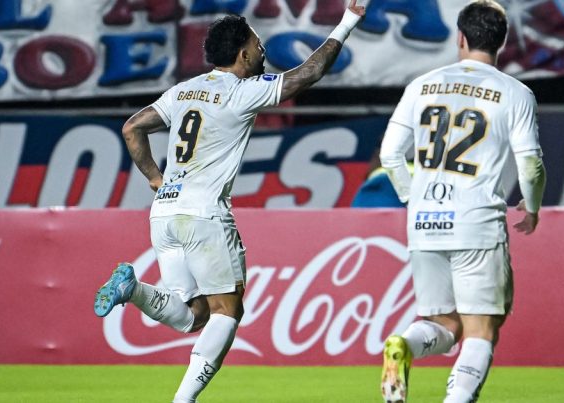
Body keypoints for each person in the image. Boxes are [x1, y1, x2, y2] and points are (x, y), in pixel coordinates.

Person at [93, 2, 366, 402]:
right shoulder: (241, 91)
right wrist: (347, 22)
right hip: (203, 215)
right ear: (243, 55)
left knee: (193, 316)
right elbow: (308, 73)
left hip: (164, 213)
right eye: (257, 44)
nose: (262, 49)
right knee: (227, 310)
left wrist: (155, 178)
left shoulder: (183, 91)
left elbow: (133, 127)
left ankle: (132, 290)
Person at [378, 1, 546, 402]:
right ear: (502, 42)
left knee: (445, 325)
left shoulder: (421, 85)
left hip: (424, 222)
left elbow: (389, 155)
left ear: (461, 38)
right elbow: (531, 164)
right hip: (476, 222)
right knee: (481, 329)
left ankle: (403, 344)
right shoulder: (515, 92)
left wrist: (413, 197)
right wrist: (532, 206)